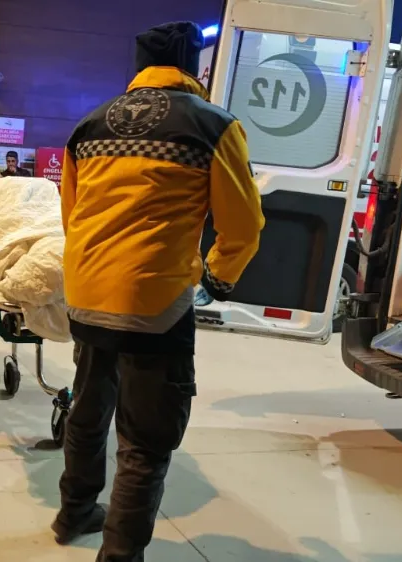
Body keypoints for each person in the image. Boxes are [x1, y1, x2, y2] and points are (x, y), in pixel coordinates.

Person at [54, 22, 265, 561]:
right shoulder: (212, 124)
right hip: (154, 303)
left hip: (85, 291)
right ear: (195, 68)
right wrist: (217, 278)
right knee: (146, 440)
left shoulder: (89, 125)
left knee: (89, 406)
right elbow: (243, 224)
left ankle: (74, 510)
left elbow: (72, 216)